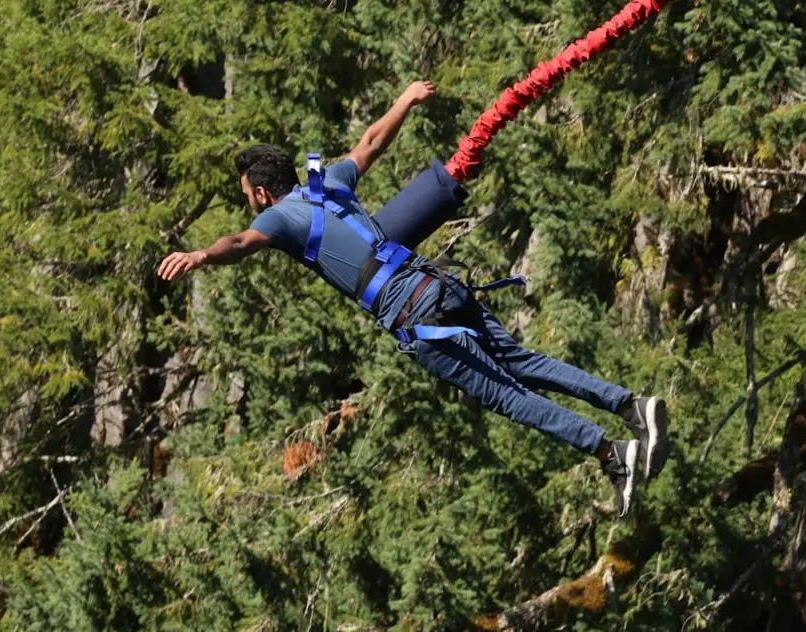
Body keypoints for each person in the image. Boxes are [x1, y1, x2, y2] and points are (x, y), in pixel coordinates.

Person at [157, 81, 668, 516]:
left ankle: (610, 453)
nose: (249, 204)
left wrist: (202, 255)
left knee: (506, 395)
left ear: (263, 194)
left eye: (247, 195)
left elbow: (241, 243)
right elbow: (371, 143)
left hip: (410, 311)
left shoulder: (277, 218)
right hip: (436, 282)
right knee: (521, 361)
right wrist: (404, 101)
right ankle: (629, 405)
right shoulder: (327, 182)